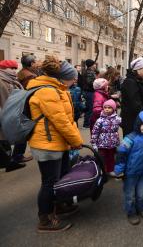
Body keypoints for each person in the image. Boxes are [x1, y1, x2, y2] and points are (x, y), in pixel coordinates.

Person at [27, 57, 83, 232]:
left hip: (56, 142)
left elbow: (66, 119)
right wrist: (77, 141)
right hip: (47, 144)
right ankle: (45, 220)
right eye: (73, 77)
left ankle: (58, 207)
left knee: (59, 179)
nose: (75, 80)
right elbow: (61, 122)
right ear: (62, 77)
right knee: (49, 182)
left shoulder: (57, 89)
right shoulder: (48, 92)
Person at [114, 110, 143, 225]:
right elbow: (121, 154)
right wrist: (119, 170)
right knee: (130, 195)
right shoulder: (130, 138)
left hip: (142, 172)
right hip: (130, 173)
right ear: (138, 123)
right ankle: (131, 212)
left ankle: (141, 208)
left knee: (141, 193)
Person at [0, 59, 28, 172]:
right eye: (11, 68)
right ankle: (9, 162)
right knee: (4, 140)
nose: (14, 71)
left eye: (15, 68)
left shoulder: (11, 80)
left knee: (5, 141)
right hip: (4, 115)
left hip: (11, 114)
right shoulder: (2, 81)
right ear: (3, 69)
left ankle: (9, 162)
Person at [120, 57, 143, 136]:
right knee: (131, 145)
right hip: (131, 121)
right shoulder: (130, 82)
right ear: (138, 69)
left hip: (138, 119)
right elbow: (136, 104)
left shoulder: (139, 81)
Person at [91, 99, 121, 175]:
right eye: (105, 107)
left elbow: (116, 132)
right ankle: (101, 170)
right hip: (102, 143)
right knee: (101, 158)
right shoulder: (100, 120)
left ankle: (110, 170)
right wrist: (94, 143)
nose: (107, 109)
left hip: (112, 143)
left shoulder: (117, 119)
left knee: (111, 157)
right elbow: (95, 132)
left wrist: (117, 143)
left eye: (109, 107)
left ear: (113, 109)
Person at [82, 59, 97, 128]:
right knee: (90, 108)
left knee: (89, 108)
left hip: (88, 91)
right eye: (94, 64)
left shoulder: (89, 71)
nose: (95, 65)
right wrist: (96, 83)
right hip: (89, 92)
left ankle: (87, 122)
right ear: (91, 65)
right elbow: (90, 82)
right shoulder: (89, 72)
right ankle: (87, 123)